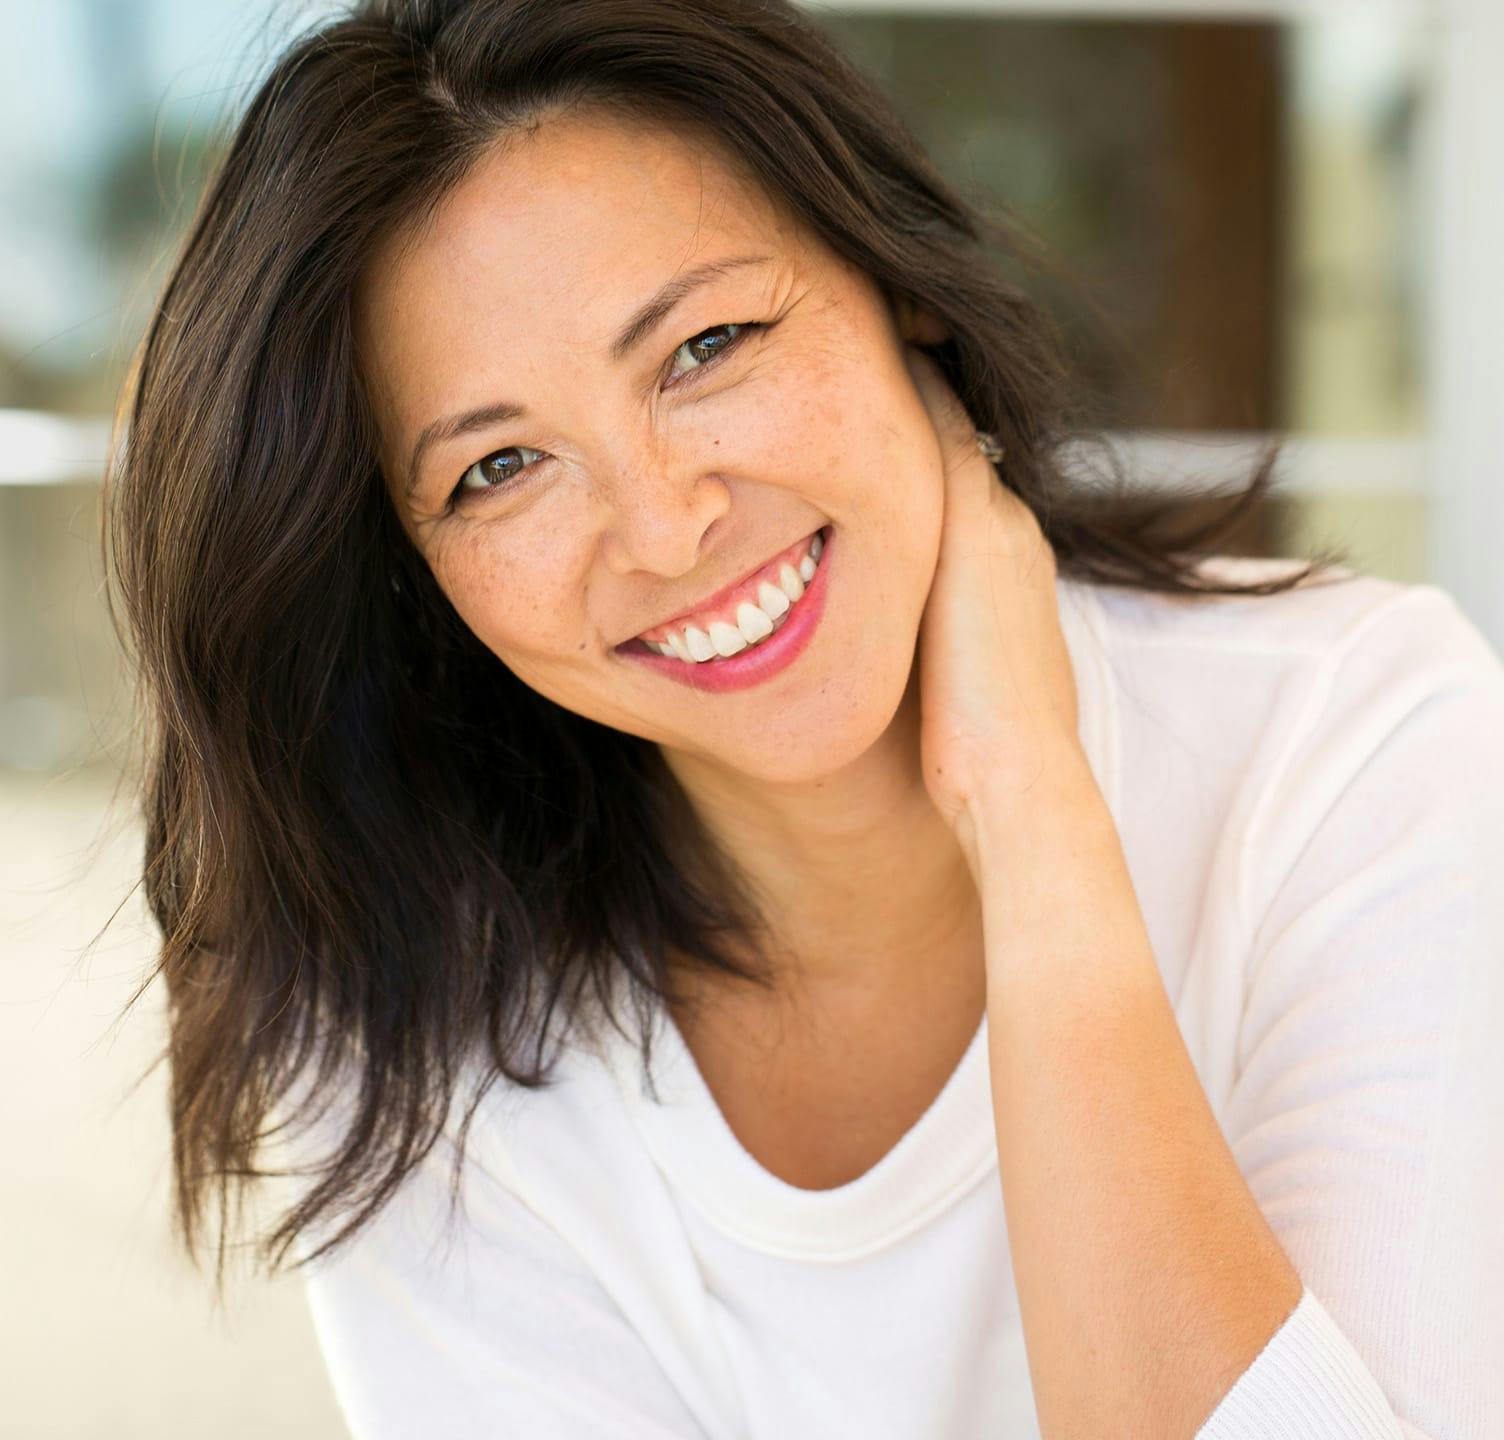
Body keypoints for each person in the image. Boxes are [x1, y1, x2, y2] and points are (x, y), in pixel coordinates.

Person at [101, 0, 1503, 1435]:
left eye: (706, 347)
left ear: (899, 280)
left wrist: (1033, 813)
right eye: (501, 466)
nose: (664, 529)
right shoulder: (412, 1034)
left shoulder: (1357, 742)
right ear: (415, 575)